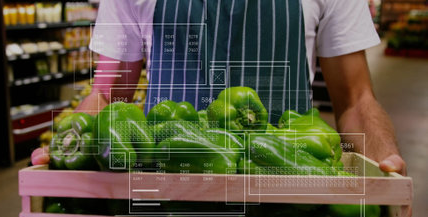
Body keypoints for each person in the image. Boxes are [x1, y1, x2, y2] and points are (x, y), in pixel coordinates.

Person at [77, 0, 406, 175]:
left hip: (288, 192)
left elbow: (356, 99)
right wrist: (73, 139)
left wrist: (384, 163)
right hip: (164, 192)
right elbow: (107, 95)